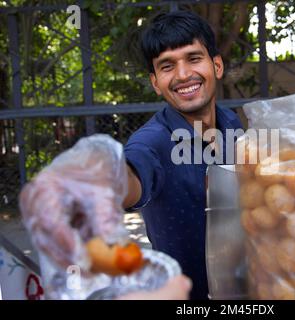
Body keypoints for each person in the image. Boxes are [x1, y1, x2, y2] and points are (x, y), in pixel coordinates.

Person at [19, 10, 243, 300]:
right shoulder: (154, 141)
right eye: (167, 66)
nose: (183, 74)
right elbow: (132, 173)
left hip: (246, 287)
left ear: (217, 65)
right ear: (155, 83)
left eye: (193, 58)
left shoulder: (231, 123)